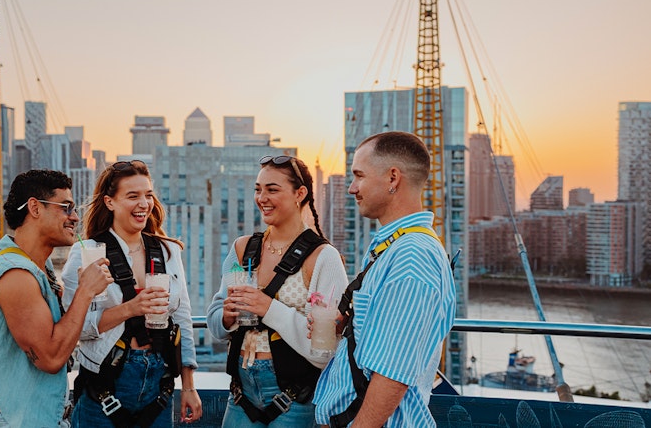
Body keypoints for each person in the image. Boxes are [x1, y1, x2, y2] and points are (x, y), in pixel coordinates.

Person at [313, 131, 456, 427]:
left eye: (359, 176)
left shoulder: (412, 257)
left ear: (393, 178)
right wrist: (350, 327)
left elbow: (392, 375)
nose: (352, 188)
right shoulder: (392, 247)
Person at [207, 154, 348, 428]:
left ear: (300, 194)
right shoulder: (243, 249)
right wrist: (225, 316)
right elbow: (215, 324)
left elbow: (325, 351)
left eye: (272, 190)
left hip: (295, 397)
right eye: (258, 190)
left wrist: (268, 308)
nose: (262, 198)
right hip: (240, 393)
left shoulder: (323, 257)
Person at [62, 160, 202, 428]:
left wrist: (188, 385)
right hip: (105, 386)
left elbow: (182, 319)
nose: (144, 204)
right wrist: (130, 308)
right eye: (133, 196)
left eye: (148, 195)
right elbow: (76, 328)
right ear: (110, 202)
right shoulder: (87, 253)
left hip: (158, 387)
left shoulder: (167, 251)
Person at [0, 169, 112, 427]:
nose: (75, 217)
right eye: (66, 208)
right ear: (35, 208)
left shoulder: (39, 269)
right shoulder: (16, 275)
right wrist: (85, 291)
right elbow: (50, 358)